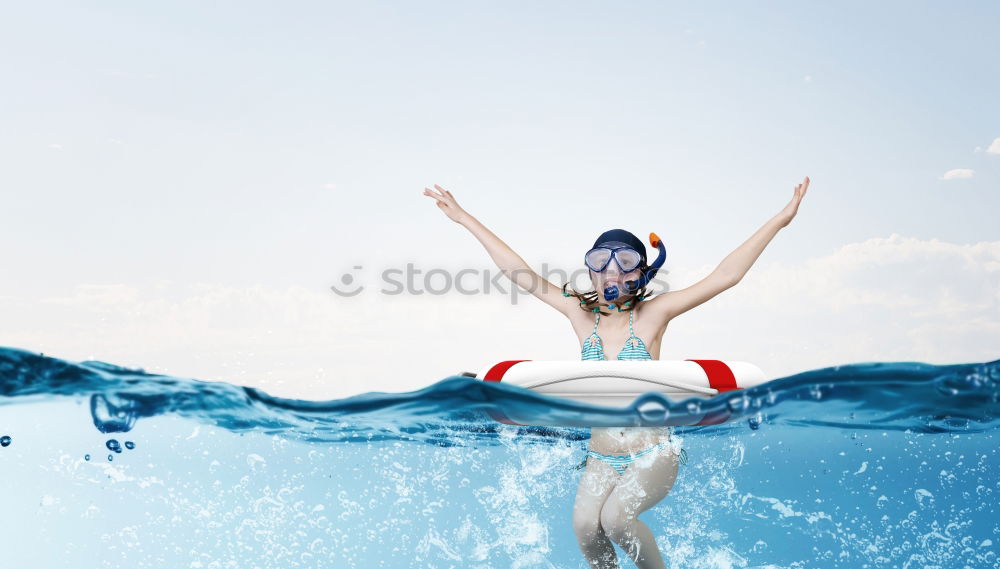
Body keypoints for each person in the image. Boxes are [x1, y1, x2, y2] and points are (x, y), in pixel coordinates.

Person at [423, 177, 810, 569]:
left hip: (653, 453)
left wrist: (780, 219)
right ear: (590, 272)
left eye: (624, 262)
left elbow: (725, 276)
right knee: (585, 528)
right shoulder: (579, 313)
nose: (611, 272)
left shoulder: (654, 313)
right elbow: (519, 273)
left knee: (616, 520)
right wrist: (464, 219)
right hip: (600, 456)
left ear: (641, 273)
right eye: (600, 261)